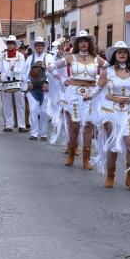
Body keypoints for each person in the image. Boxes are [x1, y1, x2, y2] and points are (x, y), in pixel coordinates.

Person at [90, 41, 130, 190]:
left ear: (128, 55)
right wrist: (88, 96)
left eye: (125, 52)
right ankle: (110, 175)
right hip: (110, 111)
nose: (122, 54)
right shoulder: (107, 71)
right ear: (114, 55)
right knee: (113, 143)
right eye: (119, 52)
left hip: (128, 112)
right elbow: (98, 89)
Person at [48, 30, 108, 169]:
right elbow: (51, 67)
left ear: (90, 43)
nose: (83, 44)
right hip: (73, 94)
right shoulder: (71, 57)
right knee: (74, 125)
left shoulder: (97, 59)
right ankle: (71, 153)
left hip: (92, 94)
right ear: (77, 44)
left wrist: (99, 81)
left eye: (86, 41)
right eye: (80, 41)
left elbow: (110, 69)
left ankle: (86, 158)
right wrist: (63, 79)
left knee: (88, 125)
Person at [0, 35, 27, 133]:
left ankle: (21, 125)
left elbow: (22, 68)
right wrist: (3, 76)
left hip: (17, 81)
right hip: (6, 81)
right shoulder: (2, 55)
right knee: (7, 104)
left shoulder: (20, 55)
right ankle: (9, 125)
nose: (10, 45)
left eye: (12, 43)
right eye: (8, 43)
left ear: (15, 45)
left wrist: (14, 69)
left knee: (20, 104)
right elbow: (1, 68)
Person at [25, 37, 52, 141]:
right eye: (37, 45)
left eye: (41, 45)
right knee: (33, 110)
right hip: (33, 89)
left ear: (44, 47)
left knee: (44, 112)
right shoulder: (29, 58)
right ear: (34, 47)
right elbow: (24, 73)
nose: (39, 47)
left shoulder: (49, 57)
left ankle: (43, 133)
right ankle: (34, 133)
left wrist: (47, 82)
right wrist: (28, 82)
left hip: (45, 88)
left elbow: (52, 72)